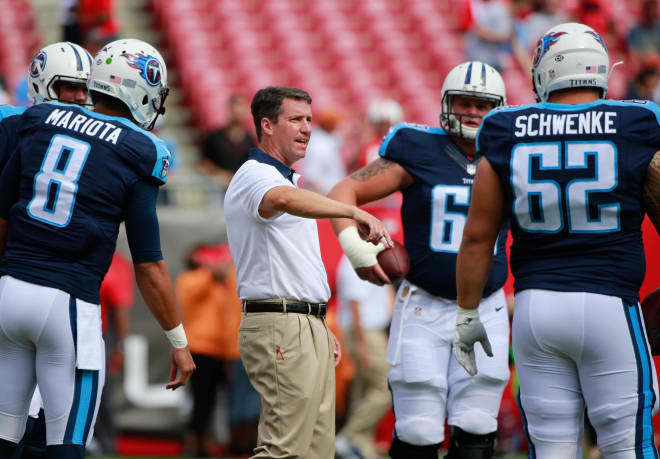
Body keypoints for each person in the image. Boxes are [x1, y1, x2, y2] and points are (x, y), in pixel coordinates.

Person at [455, 22, 660, 458]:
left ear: (545, 69)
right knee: (629, 445)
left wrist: (467, 313)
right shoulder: (638, 121)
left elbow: (477, 238)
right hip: (611, 305)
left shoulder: (505, 127)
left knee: (551, 449)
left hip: (536, 311)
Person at [0, 38, 195, 459]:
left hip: (10, 290)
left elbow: (3, 215)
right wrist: (177, 339)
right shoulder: (141, 151)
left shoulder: (39, 118)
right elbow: (148, 264)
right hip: (68, 304)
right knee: (67, 445)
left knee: (5, 437)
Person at [328, 61, 510, 459]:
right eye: (465, 102)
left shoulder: (511, 154)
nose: (474, 113)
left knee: (479, 423)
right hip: (424, 306)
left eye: (483, 105)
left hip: (486, 307)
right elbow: (343, 191)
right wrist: (358, 251)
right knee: (419, 428)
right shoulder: (417, 149)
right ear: (447, 103)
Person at [223, 85, 392, 459]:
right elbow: (282, 201)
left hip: (303, 319)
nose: (307, 128)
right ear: (267, 125)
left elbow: (296, 257)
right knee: (283, 449)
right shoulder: (255, 173)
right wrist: (351, 210)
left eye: (310, 120)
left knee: (316, 450)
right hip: (280, 320)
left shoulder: (289, 180)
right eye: (296, 119)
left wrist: (318, 322)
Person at [0, 41, 93, 459]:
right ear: (41, 84)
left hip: (40, 291)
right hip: (28, 287)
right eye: (68, 86)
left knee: (29, 430)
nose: (77, 97)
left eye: (83, 89)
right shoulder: (11, 125)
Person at [176, 243, 259, 457]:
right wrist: (210, 269)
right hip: (199, 349)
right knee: (202, 400)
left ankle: (211, 443)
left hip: (221, 351)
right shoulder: (189, 280)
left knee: (220, 400)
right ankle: (194, 444)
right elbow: (192, 295)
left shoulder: (218, 284)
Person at [334, 254, 393, 459]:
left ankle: (360, 446)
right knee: (384, 387)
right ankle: (349, 436)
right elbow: (354, 301)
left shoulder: (369, 256)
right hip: (365, 331)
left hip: (371, 331)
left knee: (364, 388)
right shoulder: (355, 257)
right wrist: (360, 343)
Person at [199, 93, 256, 188]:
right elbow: (204, 164)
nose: (237, 111)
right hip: (217, 188)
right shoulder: (214, 137)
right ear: (229, 109)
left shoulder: (250, 139)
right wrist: (221, 175)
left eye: (241, 107)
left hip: (241, 188)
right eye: (235, 106)